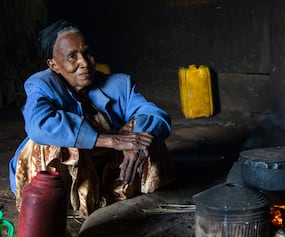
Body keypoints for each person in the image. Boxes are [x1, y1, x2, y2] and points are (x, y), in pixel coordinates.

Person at [9, 19, 174, 218]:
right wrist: (111, 140)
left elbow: (157, 116)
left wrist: (136, 144)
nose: (85, 63)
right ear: (53, 65)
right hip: (65, 175)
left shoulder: (119, 84)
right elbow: (39, 125)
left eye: (87, 53)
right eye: (72, 57)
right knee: (48, 142)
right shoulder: (41, 84)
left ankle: (108, 190)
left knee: (146, 132)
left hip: (106, 169)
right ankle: (63, 203)